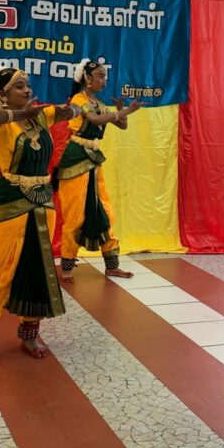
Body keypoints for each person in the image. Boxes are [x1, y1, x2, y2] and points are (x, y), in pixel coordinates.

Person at [0, 67, 78, 366]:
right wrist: (22, 113)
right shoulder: (1, 121)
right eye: (19, 87)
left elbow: (73, 111)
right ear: (3, 94)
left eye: (27, 85)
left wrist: (74, 107)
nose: (27, 90)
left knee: (37, 269)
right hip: (10, 201)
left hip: (42, 201)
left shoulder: (41, 116)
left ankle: (30, 333)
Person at [56, 58, 143, 283]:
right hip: (76, 159)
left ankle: (112, 266)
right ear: (87, 78)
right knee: (75, 214)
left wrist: (121, 110)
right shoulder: (79, 99)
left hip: (93, 159)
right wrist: (127, 111)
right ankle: (66, 266)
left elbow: (122, 125)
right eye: (101, 76)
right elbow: (94, 120)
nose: (105, 80)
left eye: (105, 76)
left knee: (105, 211)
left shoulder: (99, 102)